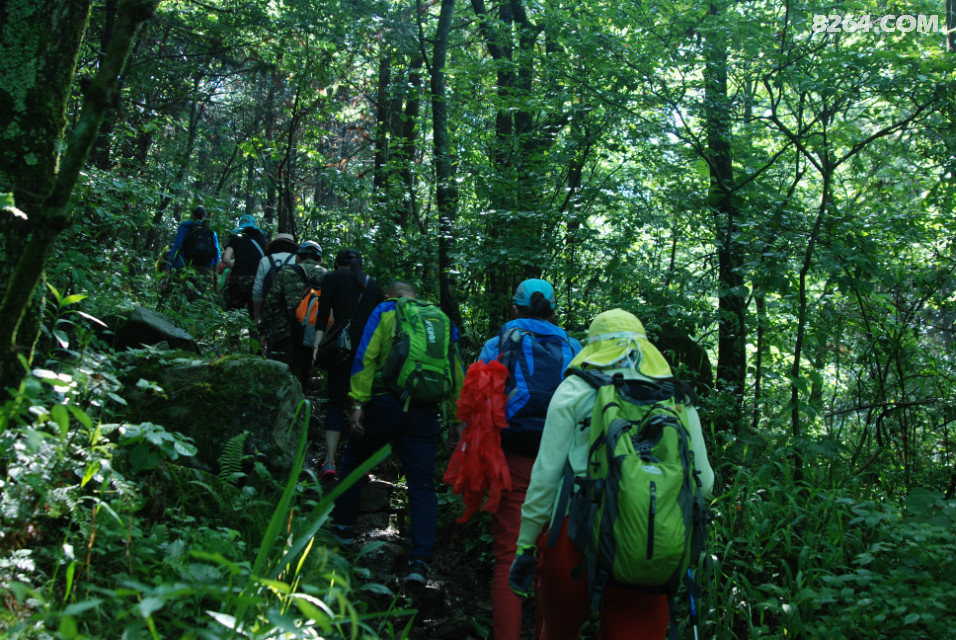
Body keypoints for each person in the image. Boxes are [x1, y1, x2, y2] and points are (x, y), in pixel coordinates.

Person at [509, 309, 715, 640]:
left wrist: (525, 545)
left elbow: (545, 478)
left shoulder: (575, 389)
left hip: (574, 536)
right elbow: (704, 484)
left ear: (593, 347)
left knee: (558, 633)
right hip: (648, 541)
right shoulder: (676, 397)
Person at [332, 282, 464, 585]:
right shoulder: (440, 319)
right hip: (425, 411)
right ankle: (420, 561)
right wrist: (457, 418)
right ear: (416, 296)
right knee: (422, 484)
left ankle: (341, 532)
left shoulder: (385, 310)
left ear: (389, 296)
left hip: (384, 403)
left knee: (354, 459)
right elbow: (456, 369)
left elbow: (366, 356)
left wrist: (357, 404)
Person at [473, 279, 581, 640]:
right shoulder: (574, 348)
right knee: (549, 560)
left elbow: (477, 402)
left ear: (514, 307)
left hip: (514, 460)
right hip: (561, 468)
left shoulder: (498, 344)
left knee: (510, 556)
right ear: (554, 311)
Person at [313, 250, 384, 479]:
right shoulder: (372, 284)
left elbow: (323, 316)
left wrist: (317, 348)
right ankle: (360, 463)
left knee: (335, 403)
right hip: (367, 352)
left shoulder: (332, 278)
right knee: (361, 405)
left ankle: (329, 461)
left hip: (341, 350)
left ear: (337, 265)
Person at [258, 241, 326, 389]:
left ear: (298, 257)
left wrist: (263, 331)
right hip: (312, 335)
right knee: (303, 377)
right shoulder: (326, 275)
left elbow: (271, 303)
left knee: (282, 378)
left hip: (285, 333)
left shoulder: (286, 272)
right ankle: (301, 401)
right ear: (319, 260)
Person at [222, 214, 269, 316]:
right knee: (254, 314)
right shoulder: (262, 240)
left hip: (238, 278)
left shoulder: (235, 238)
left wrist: (237, 268)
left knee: (233, 313)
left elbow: (226, 259)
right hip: (257, 280)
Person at [251, 232, 299, 325]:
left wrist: (257, 316)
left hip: (269, 309)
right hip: (292, 309)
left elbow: (257, 290)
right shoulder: (297, 260)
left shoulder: (265, 260)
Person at [167, 205, 220, 272]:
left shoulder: (184, 228)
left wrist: (169, 266)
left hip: (185, 267)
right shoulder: (211, 233)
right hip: (204, 269)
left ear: (193, 215)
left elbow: (176, 247)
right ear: (205, 216)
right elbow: (217, 254)